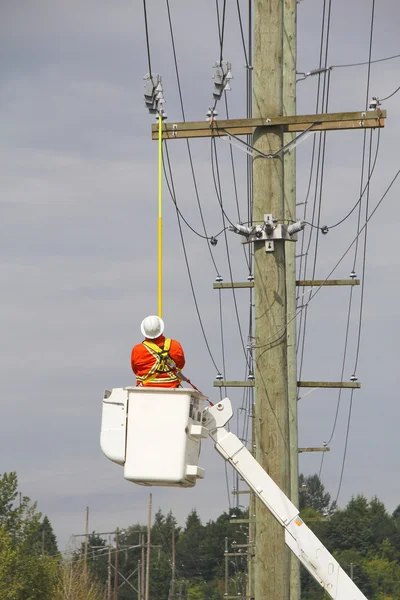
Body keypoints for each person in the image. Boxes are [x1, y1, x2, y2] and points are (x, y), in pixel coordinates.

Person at [131, 315, 185, 388]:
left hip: (144, 390)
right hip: (172, 389)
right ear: (161, 329)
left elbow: (135, 370)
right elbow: (181, 365)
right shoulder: (175, 345)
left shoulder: (137, 350)